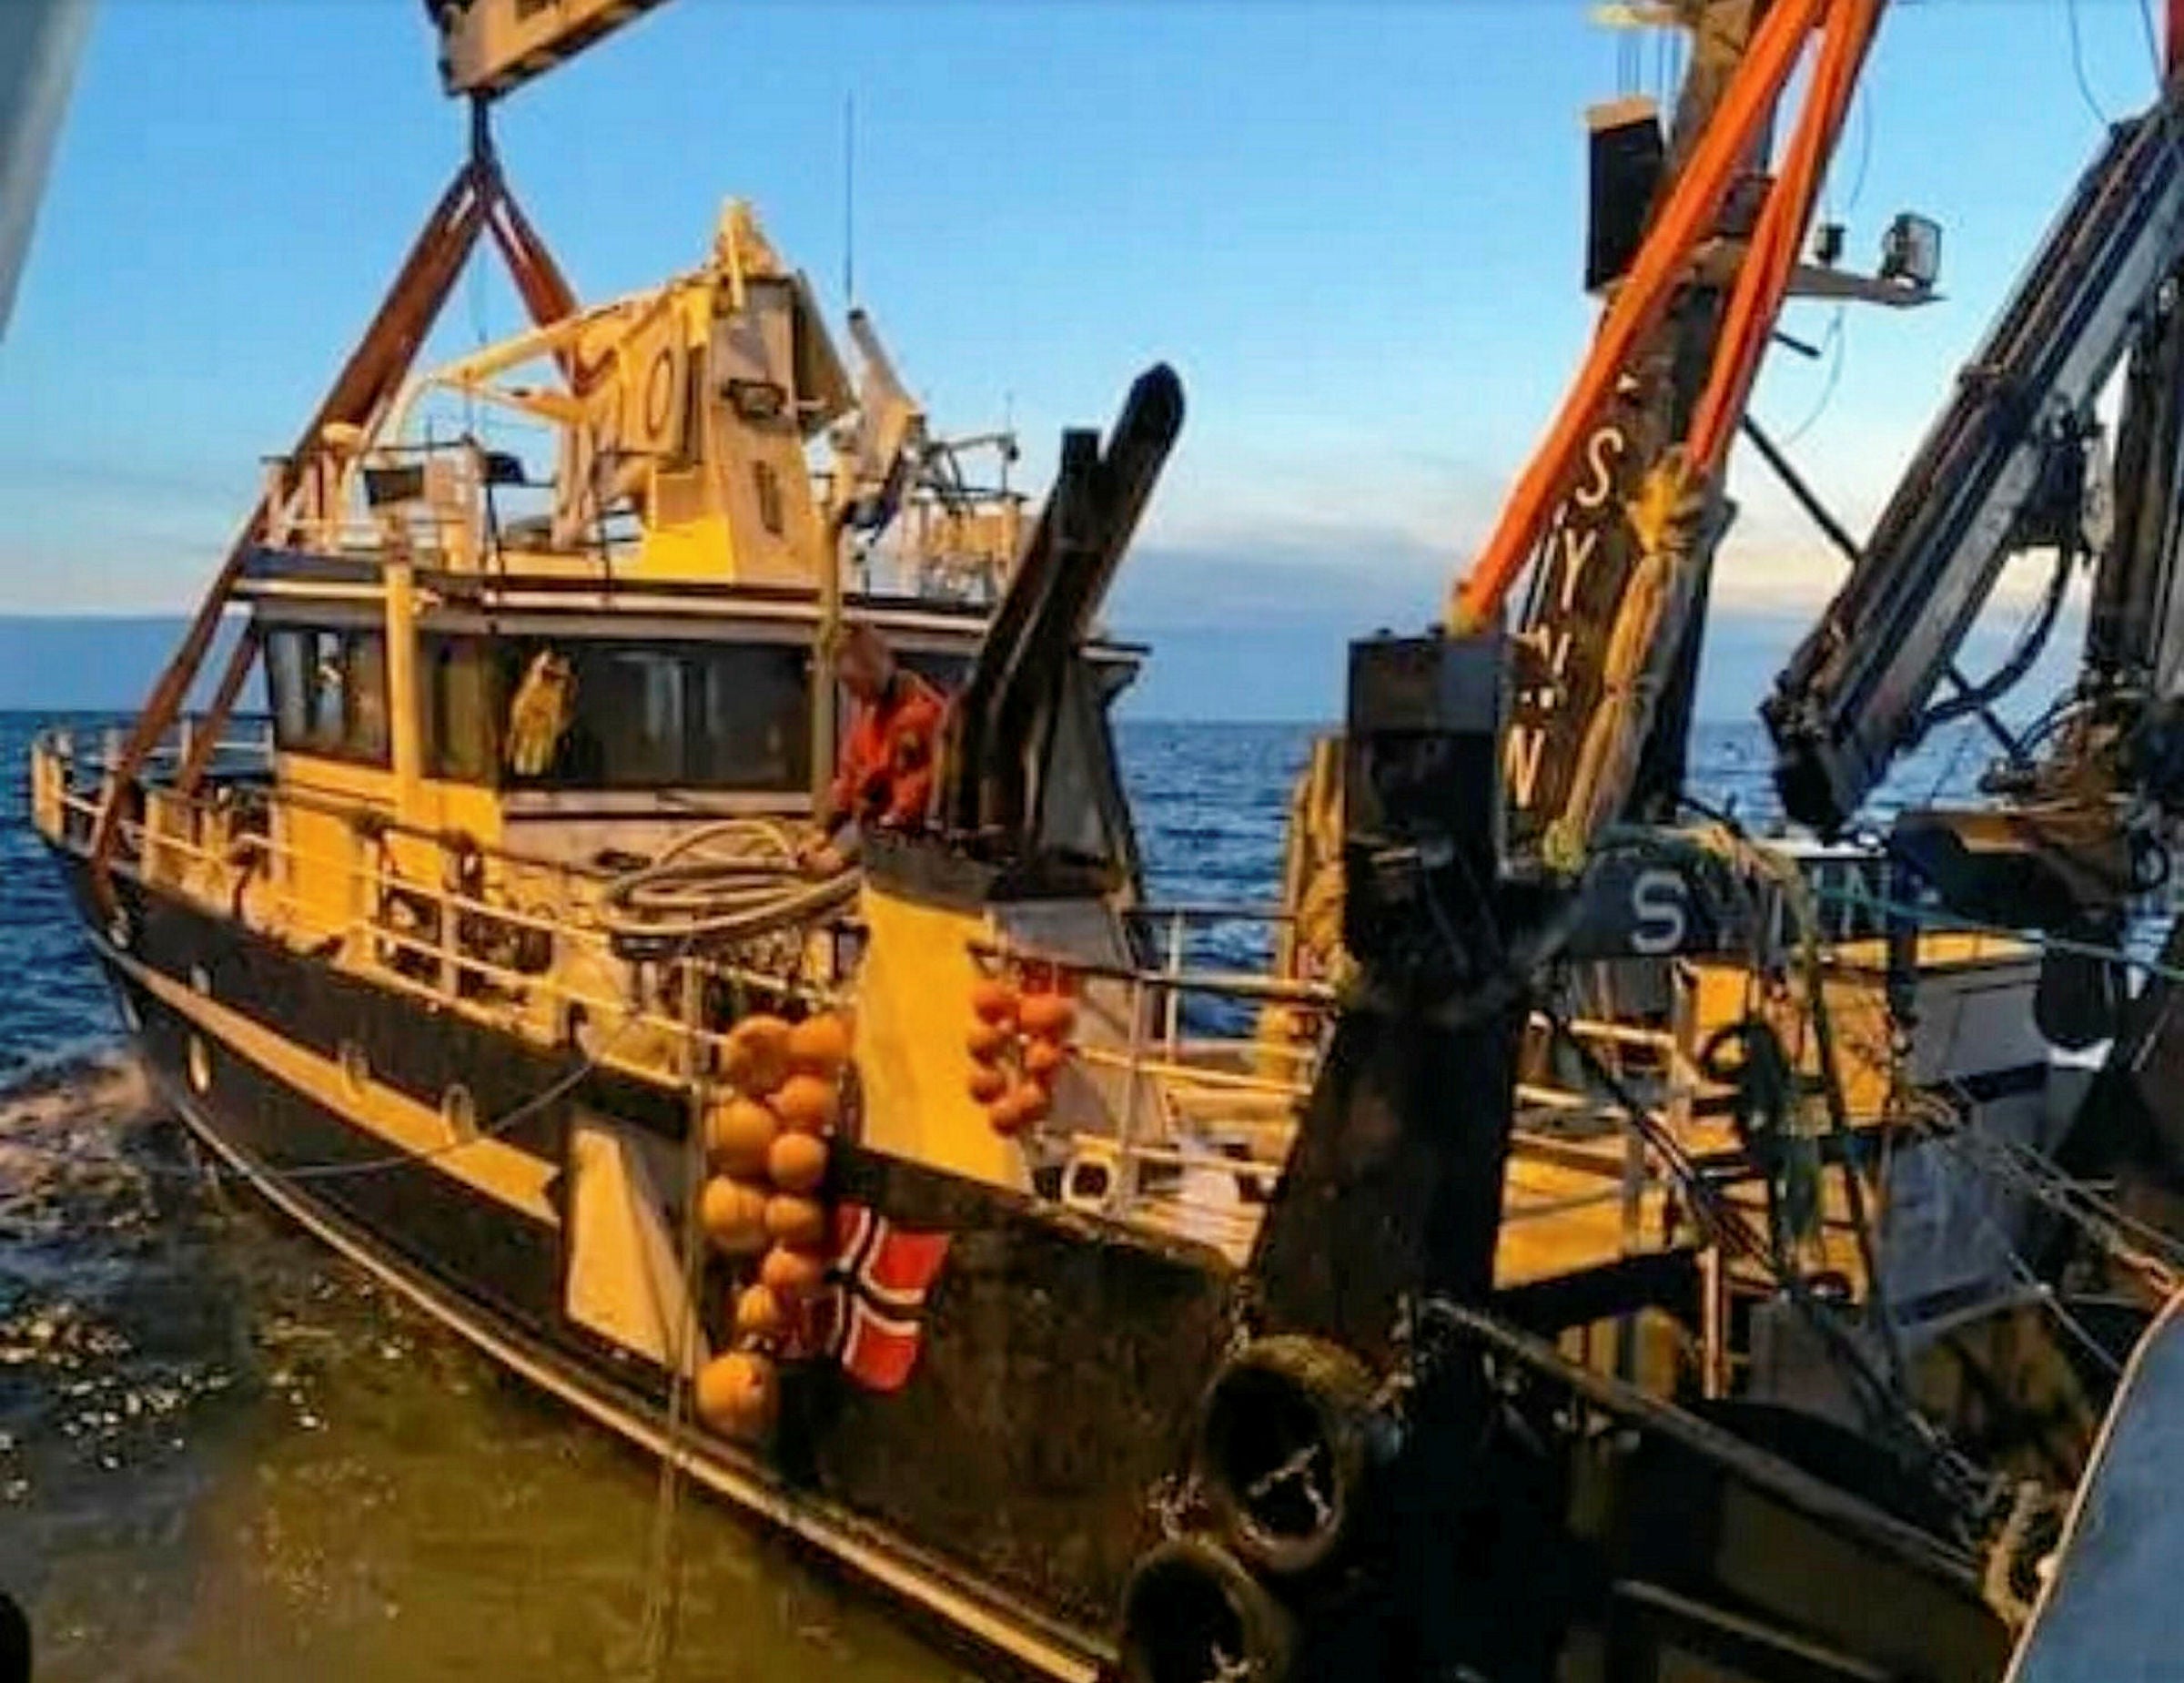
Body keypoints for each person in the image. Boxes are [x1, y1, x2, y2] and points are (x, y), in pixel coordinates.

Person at [799, 623, 946, 875]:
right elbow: (850, 778)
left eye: (853, 683)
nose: (851, 693)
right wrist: (823, 831)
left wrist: (843, 853)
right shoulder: (871, 712)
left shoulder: (918, 717)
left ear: (875, 665)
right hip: (870, 835)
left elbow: (905, 811)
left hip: (907, 854)